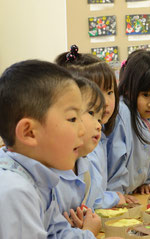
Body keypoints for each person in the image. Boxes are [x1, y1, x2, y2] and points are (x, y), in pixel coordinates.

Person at [0, 60, 100, 238]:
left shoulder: (40, 178)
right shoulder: (16, 191)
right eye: (72, 119)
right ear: (29, 132)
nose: (82, 130)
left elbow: (57, 233)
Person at [55, 45, 138, 204]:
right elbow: (89, 201)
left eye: (109, 92)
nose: (105, 102)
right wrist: (114, 198)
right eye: (96, 95)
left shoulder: (99, 134)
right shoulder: (80, 146)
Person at [51, 77, 126, 229]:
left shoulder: (85, 165)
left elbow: (95, 200)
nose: (98, 125)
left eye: (99, 119)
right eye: (91, 113)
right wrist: (86, 232)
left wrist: (113, 198)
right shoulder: (47, 176)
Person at [107, 50, 150, 195]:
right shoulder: (122, 113)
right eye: (146, 95)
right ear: (127, 88)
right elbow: (116, 159)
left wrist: (144, 182)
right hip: (116, 195)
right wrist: (117, 193)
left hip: (131, 192)